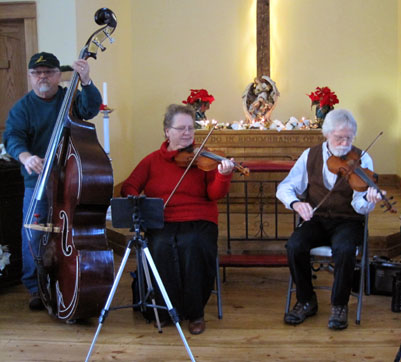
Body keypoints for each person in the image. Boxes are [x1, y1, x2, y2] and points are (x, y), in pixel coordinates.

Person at [121, 104, 233, 335]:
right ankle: (166, 310)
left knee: (193, 245)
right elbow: (129, 185)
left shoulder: (203, 158)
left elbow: (215, 194)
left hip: (200, 218)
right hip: (163, 219)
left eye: (191, 128)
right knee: (160, 246)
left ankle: (195, 313)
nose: (187, 133)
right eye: (181, 128)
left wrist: (223, 176)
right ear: (166, 131)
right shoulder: (152, 161)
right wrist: (137, 200)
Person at [2, 52, 102, 310]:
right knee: (32, 235)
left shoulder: (69, 99)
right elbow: (13, 138)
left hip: (70, 178)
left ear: (59, 75)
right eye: (37, 73)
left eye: (48, 72)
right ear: (30, 77)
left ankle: (72, 278)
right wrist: (26, 157)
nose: (43, 77)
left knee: (71, 231)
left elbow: (90, 109)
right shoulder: (23, 108)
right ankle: (36, 288)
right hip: (36, 182)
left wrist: (87, 81)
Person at [276, 109, 384, 330]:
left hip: (348, 220)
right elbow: (285, 187)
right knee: (294, 245)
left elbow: (359, 206)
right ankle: (306, 300)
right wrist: (296, 203)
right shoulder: (310, 155)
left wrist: (370, 201)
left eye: (349, 138)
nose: (345, 143)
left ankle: (339, 305)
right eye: (339, 137)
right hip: (317, 218)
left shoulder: (363, 159)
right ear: (326, 134)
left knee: (344, 249)